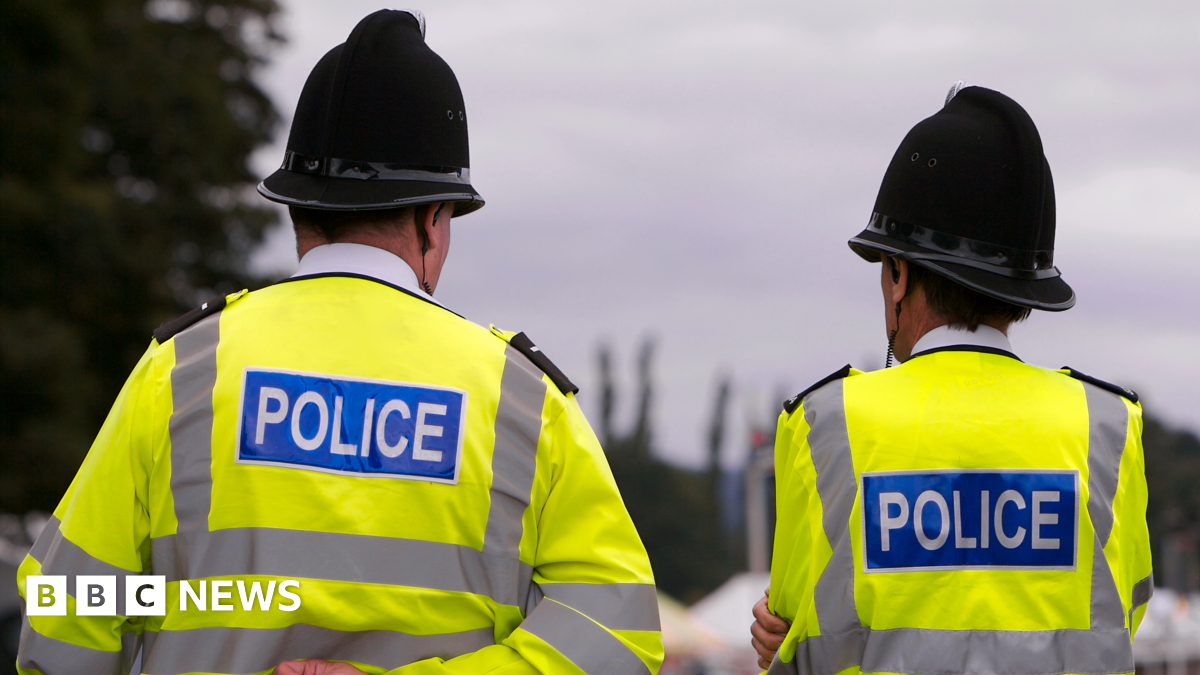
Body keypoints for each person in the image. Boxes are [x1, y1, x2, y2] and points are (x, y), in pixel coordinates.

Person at [17, 10, 662, 675]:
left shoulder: (182, 370)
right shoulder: (522, 399)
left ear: (299, 208)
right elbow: (617, 636)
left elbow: (69, 607)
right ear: (433, 219)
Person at [749, 83, 1152, 674]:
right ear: (1022, 292)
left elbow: (794, 632)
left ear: (897, 272)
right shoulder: (1111, 426)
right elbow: (1126, 608)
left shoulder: (820, 424)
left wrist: (774, 645)